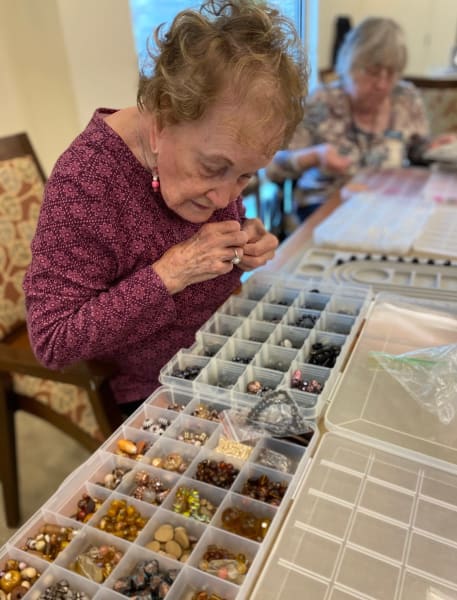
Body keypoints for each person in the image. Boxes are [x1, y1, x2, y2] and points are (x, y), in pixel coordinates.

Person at [23, 0, 308, 415]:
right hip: (156, 388)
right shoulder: (86, 183)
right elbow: (54, 339)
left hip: (227, 345)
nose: (225, 198)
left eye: (245, 176)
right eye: (214, 168)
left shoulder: (211, 157)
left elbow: (220, 226)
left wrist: (245, 241)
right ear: (159, 122)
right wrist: (171, 272)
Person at [266, 16, 433, 219]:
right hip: (325, 205)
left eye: (391, 73)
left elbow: (421, 154)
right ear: (350, 64)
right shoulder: (323, 100)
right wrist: (315, 156)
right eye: (372, 72)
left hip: (387, 206)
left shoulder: (406, 98)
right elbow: (272, 167)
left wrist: (436, 148)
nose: (382, 84)